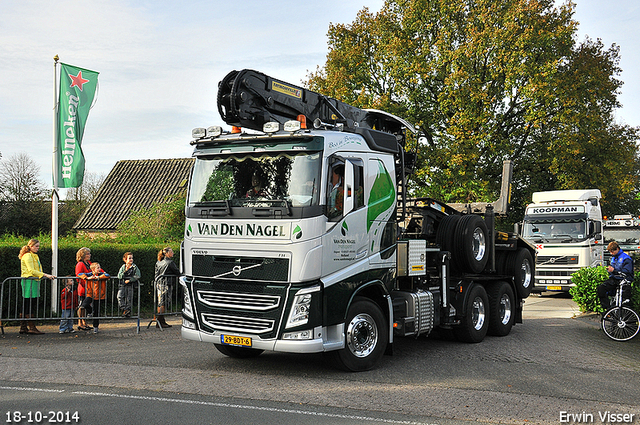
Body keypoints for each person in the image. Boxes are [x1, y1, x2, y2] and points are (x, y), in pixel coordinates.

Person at [18, 239, 55, 335]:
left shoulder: (34, 256)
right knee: (28, 303)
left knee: (30, 303)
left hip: (34, 281)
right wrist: (46, 275)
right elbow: (31, 270)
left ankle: (25, 327)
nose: (38, 248)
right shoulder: (28, 256)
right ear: (30, 246)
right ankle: (30, 327)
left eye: (38, 246)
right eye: (36, 246)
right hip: (29, 281)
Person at [597, 241, 634, 312]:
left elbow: (627, 271)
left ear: (617, 249)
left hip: (624, 280)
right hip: (614, 279)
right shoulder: (613, 258)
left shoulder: (626, 258)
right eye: (610, 252)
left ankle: (624, 316)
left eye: (612, 252)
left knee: (624, 302)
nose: (611, 253)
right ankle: (608, 309)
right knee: (601, 289)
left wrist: (614, 270)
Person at [79, 262, 110, 334]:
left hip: (99, 295)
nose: (99, 269)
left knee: (97, 312)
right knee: (84, 305)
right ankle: (90, 312)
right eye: (98, 268)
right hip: (90, 294)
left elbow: (107, 275)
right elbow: (80, 274)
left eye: (99, 267)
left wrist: (99, 277)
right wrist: (87, 278)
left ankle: (95, 326)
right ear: (93, 270)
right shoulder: (89, 274)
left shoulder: (101, 274)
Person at [155, 247, 180, 328]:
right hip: (166, 284)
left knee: (160, 302)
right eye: (171, 252)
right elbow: (177, 272)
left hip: (159, 284)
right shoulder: (170, 262)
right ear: (167, 253)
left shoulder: (159, 262)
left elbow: (156, 274)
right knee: (164, 303)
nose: (173, 253)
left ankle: (161, 321)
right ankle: (159, 320)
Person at [117, 252, 140, 317]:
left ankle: (128, 312)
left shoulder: (134, 267)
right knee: (119, 296)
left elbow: (138, 275)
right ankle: (125, 309)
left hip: (130, 285)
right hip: (122, 284)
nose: (131, 259)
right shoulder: (123, 267)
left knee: (129, 298)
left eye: (132, 258)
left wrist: (130, 280)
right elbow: (119, 276)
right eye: (129, 258)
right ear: (125, 259)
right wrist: (125, 271)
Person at [75, 247, 92, 331]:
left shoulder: (89, 263)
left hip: (88, 288)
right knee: (81, 306)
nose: (89, 255)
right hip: (83, 288)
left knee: (85, 306)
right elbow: (78, 275)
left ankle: (84, 322)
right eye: (88, 254)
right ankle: (80, 323)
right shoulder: (80, 264)